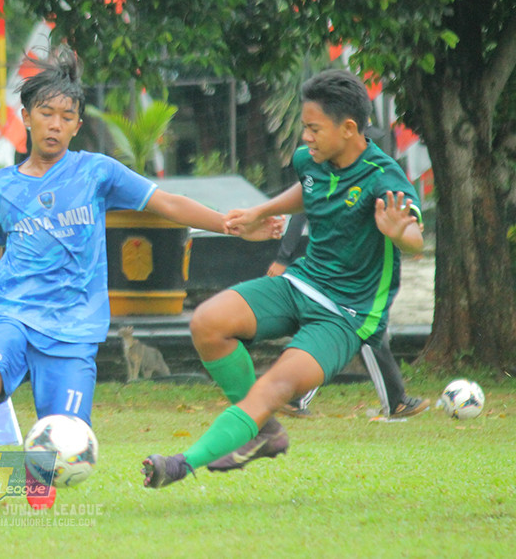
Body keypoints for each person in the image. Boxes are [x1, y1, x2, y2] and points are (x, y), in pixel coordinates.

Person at [0, 47, 283, 518]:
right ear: (27, 118)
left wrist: (229, 222)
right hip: (11, 314)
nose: (56, 124)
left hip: (74, 327)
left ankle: (38, 494)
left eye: (67, 116)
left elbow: (167, 204)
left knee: (61, 432)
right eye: (46, 114)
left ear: (78, 125)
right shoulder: (1, 185)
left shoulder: (96, 171)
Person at [141, 68, 424, 488]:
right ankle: (264, 431)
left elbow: (414, 236)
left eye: (313, 128)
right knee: (207, 322)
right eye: (304, 127)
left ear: (349, 129)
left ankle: (183, 463)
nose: (306, 137)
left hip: (345, 314)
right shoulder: (309, 159)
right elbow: (307, 188)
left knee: (276, 385)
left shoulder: (384, 177)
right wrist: (261, 211)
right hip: (301, 283)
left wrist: (403, 235)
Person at [270, 212, 430, 420]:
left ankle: (293, 397)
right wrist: (283, 258)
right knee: (362, 327)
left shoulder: (368, 185)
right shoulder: (327, 182)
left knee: (348, 329)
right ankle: (395, 401)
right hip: (341, 269)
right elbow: (300, 214)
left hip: (357, 268)